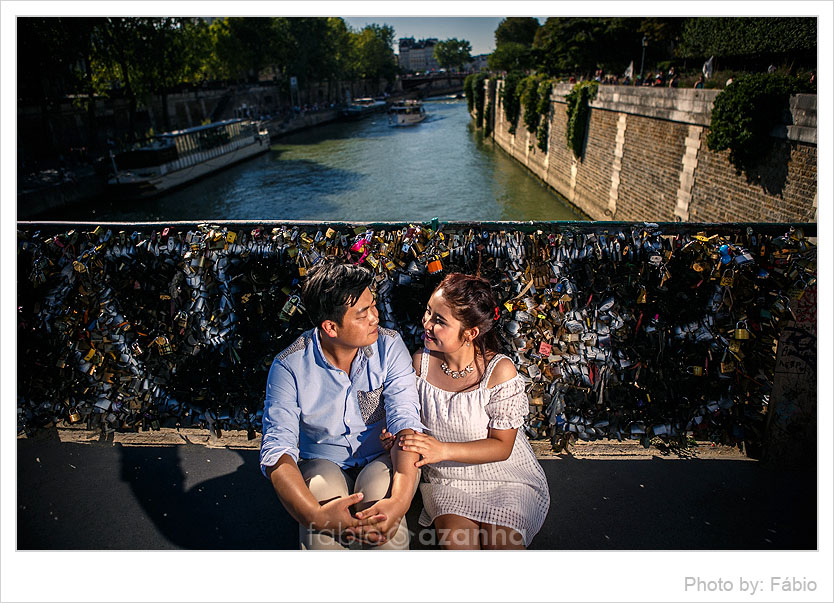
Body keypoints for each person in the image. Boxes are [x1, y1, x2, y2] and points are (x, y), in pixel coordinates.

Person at [259, 258, 424, 549]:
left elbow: (406, 424)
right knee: (322, 536)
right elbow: (277, 450)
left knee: (384, 530)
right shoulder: (288, 366)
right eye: (363, 314)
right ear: (331, 327)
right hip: (321, 461)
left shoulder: (390, 345)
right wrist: (315, 517)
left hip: (381, 457)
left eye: (373, 305)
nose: (375, 317)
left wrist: (399, 503)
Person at [383, 273, 550, 549]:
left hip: (505, 477)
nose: (426, 323)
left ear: (470, 333)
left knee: (502, 547)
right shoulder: (418, 365)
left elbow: (502, 447)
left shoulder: (499, 371)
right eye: (428, 312)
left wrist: (442, 450)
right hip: (448, 481)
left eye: (439, 321)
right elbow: (408, 420)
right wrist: (397, 439)